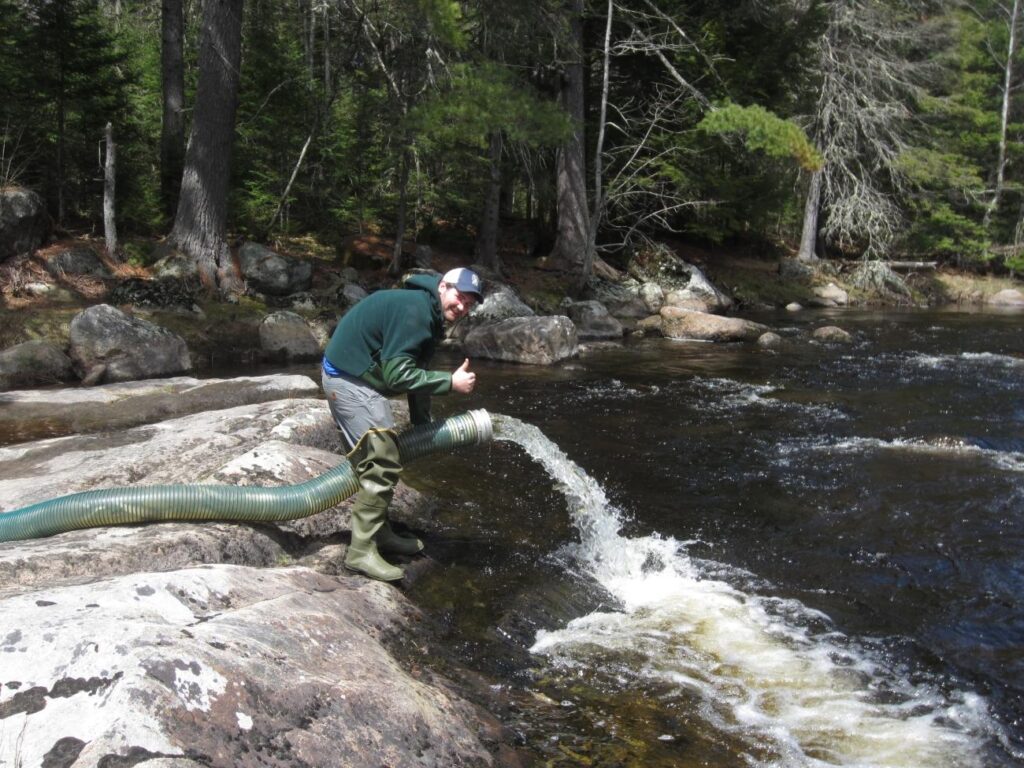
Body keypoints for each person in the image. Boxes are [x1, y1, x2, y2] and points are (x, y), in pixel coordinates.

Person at [321, 267, 483, 581]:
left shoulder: (429, 311)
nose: (462, 306)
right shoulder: (416, 312)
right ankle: (360, 552)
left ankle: (381, 534)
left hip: (358, 375)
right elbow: (397, 375)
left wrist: (424, 425)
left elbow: (416, 368)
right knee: (381, 461)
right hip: (348, 378)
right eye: (459, 296)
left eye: (470, 303)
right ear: (443, 287)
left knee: (375, 461)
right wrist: (450, 382)